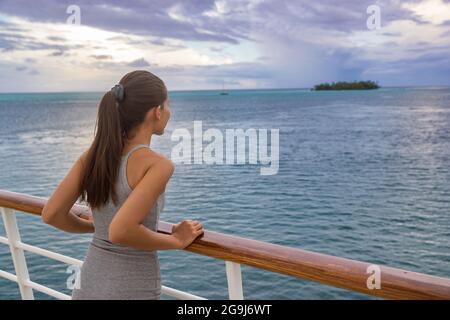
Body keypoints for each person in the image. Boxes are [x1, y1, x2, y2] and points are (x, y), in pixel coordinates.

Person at [41, 70, 204, 299]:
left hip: (88, 282)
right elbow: (121, 231)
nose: (169, 111)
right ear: (156, 112)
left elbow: (51, 214)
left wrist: (96, 226)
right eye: (167, 105)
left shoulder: (92, 156)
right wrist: (176, 240)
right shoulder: (158, 165)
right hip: (131, 288)